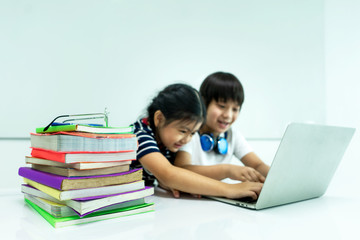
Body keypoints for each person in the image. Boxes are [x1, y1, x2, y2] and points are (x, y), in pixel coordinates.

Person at [130, 83, 263, 199]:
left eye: (193, 133)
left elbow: (168, 176)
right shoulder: (139, 134)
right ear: (159, 119)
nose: (187, 139)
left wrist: (172, 183)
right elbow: (168, 173)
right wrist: (229, 189)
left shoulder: (167, 143)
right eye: (183, 131)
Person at [174, 72, 270, 184]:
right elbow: (181, 169)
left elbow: (257, 165)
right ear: (203, 103)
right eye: (222, 106)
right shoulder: (190, 133)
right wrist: (227, 170)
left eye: (235, 109)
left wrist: (276, 178)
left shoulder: (232, 135)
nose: (228, 115)